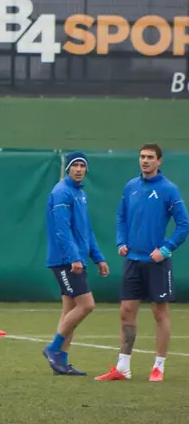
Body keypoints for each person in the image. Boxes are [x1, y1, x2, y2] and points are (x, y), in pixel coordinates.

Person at [95, 143, 189, 382]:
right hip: (132, 261)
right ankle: (123, 367)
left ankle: (159, 366)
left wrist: (166, 249)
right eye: (142, 157)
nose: (145, 161)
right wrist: (121, 241)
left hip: (157, 263)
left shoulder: (169, 189)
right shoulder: (131, 186)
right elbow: (121, 217)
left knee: (160, 313)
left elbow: (184, 224)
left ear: (159, 161)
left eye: (150, 157)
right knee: (126, 311)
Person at [42, 151, 109, 376]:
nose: (79, 169)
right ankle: (53, 349)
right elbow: (62, 230)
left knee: (70, 310)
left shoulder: (80, 193)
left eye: (82, 165)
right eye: (75, 165)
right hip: (66, 261)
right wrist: (73, 258)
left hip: (76, 259)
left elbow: (86, 230)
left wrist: (98, 258)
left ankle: (61, 362)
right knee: (86, 305)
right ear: (68, 168)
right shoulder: (61, 192)